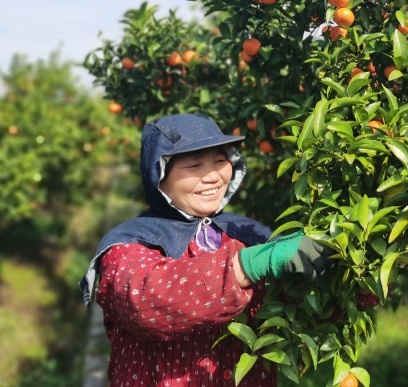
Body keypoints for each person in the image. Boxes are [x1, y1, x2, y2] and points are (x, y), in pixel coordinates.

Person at [80, 113, 333, 386]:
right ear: (160, 175)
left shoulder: (249, 234)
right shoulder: (128, 245)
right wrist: (249, 266)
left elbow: (308, 309)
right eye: (194, 165)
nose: (212, 176)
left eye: (220, 161)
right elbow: (148, 301)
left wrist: (345, 261)